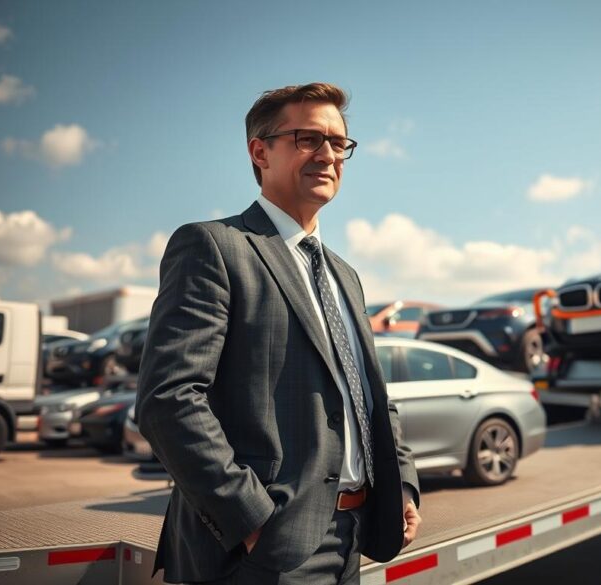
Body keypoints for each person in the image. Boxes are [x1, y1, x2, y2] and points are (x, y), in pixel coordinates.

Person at [137, 82, 421, 585]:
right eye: (308, 138)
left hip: (352, 537)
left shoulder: (345, 275)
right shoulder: (214, 247)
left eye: (339, 143)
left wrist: (403, 484)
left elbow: (372, 397)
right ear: (260, 151)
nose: (328, 154)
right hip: (262, 552)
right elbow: (169, 399)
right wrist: (251, 521)